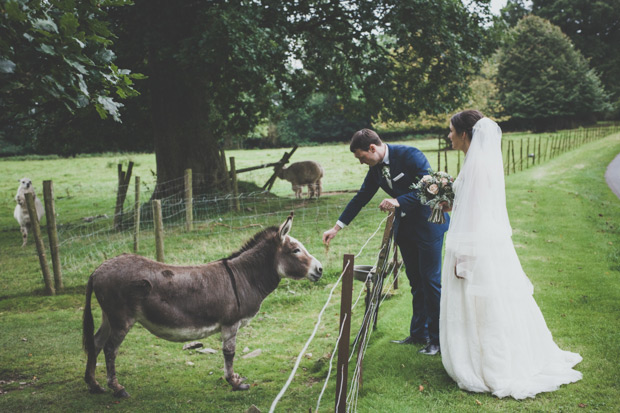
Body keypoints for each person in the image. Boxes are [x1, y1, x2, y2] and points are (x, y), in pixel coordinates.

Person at [440, 110, 582, 398]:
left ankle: (488, 362)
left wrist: (465, 257)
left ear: (466, 134)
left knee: (483, 302)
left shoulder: (478, 165)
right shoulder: (476, 160)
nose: (449, 135)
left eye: (452, 130)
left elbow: (477, 215)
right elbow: (474, 206)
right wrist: (451, 205)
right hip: (483, 241)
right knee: (490, 301)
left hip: (475, 245)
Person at [322, 129, 449, 355]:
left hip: (429, 225)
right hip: (405, 231)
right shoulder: (376, 169)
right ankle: (419, 333)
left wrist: (398, 201)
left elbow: (431, 187)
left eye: (362, 157)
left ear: (373, 148)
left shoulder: (411, 155)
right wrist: (336, 227)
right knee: (415, 280)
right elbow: (362, 197)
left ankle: (438, 341)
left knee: (430, 281)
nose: (362, 163)